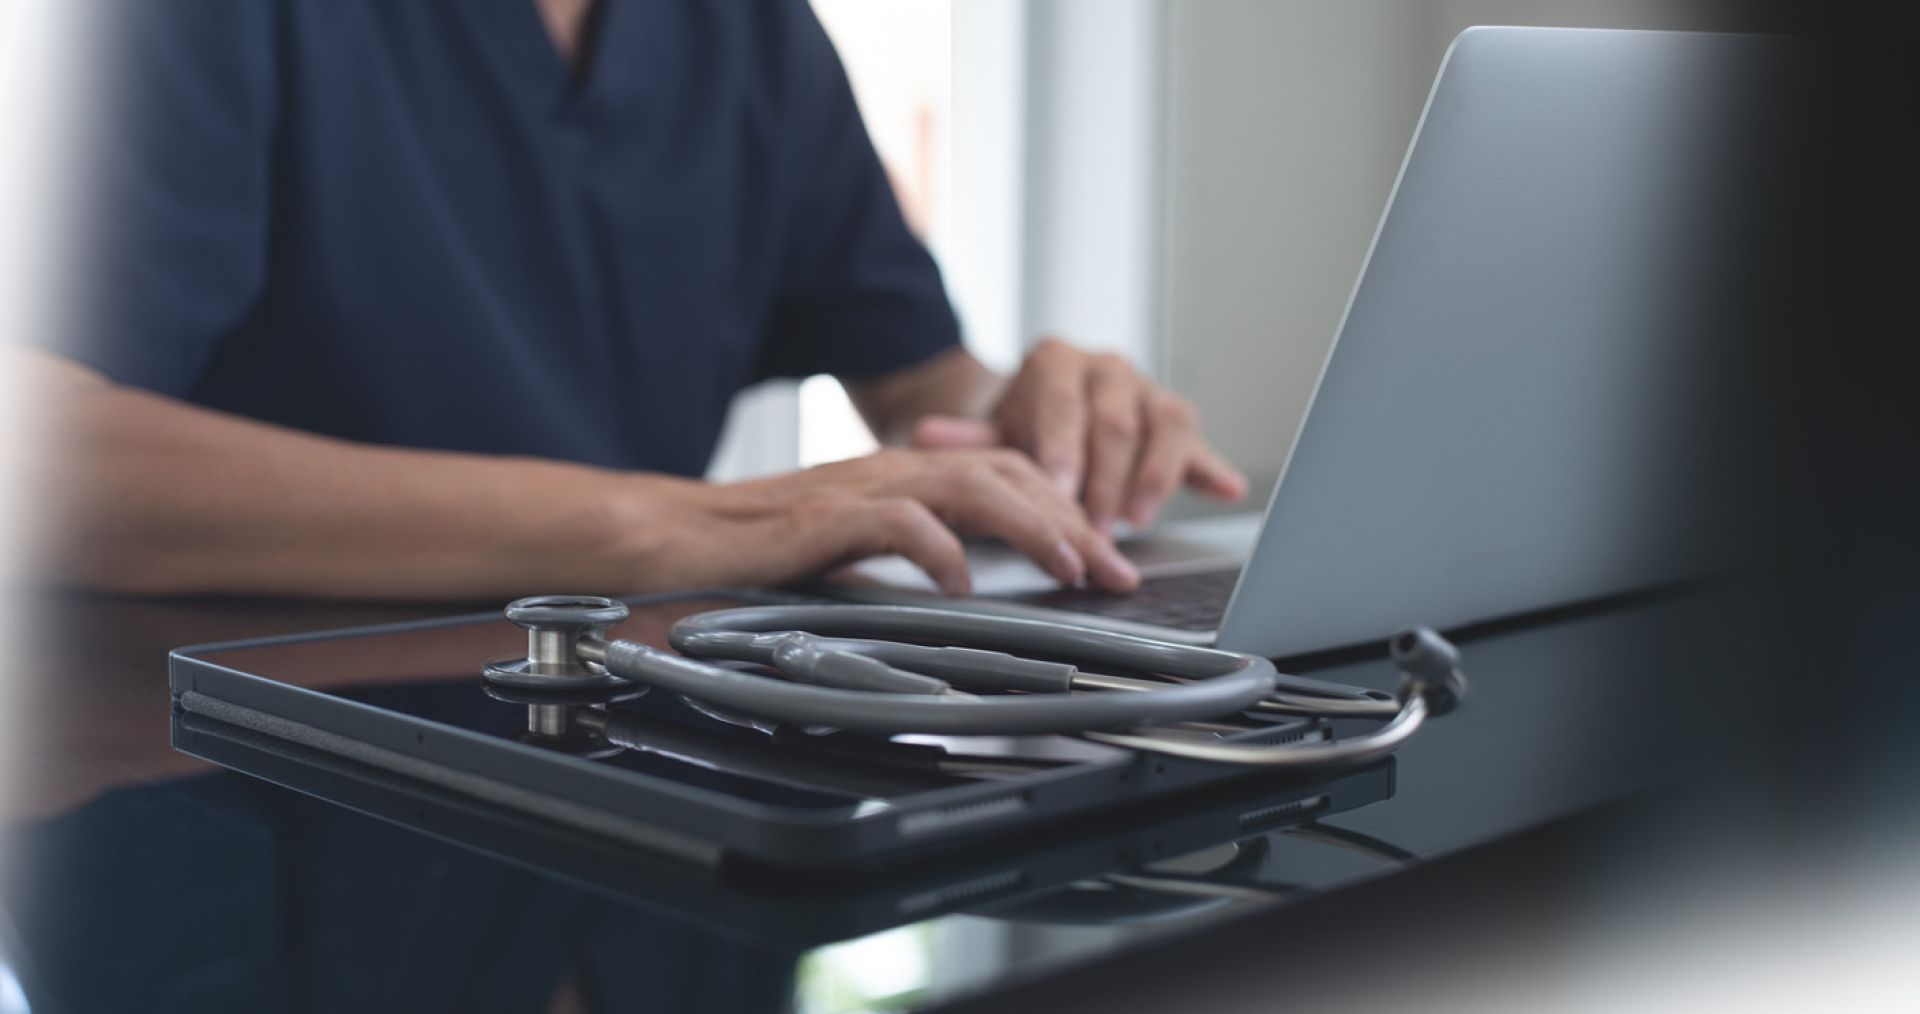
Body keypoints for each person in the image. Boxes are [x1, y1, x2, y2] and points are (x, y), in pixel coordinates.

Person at [23, 0, 1244, 601]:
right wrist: (675, 526)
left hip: (635, 746)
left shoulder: (746, 29)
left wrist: (1034, 418)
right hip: (250, 766)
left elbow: (921, 381)